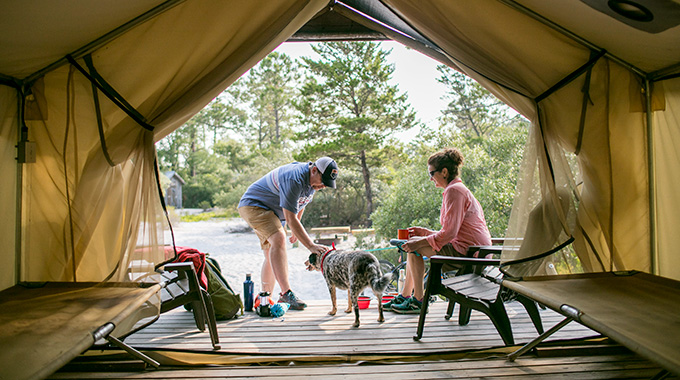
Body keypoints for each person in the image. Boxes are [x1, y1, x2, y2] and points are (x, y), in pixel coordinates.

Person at [385, 148, 492, 314]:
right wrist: (426, 232)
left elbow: (449, 233)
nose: (430, 178)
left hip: (471, 254)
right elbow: (453, 230)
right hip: (473, 250)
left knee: (414, 248)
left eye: (431, 173)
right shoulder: (457, 189)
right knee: (414, 245)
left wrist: (420, 241)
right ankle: (406, 296)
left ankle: (418, 301)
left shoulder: (454, 191)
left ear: (444, 172)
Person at [238, 157, 339, 310]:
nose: (323, 186)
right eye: (322, 181)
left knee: (271, 253)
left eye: (326, 183)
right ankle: (286, 293)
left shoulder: (313, 182)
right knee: (279, 239)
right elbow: (290, 219)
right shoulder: (295, 178)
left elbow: (301, 204)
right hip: (254, 205)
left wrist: (295, 231)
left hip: (273, 212)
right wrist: (310, 245)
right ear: (313, 170)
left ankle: (265, 298)